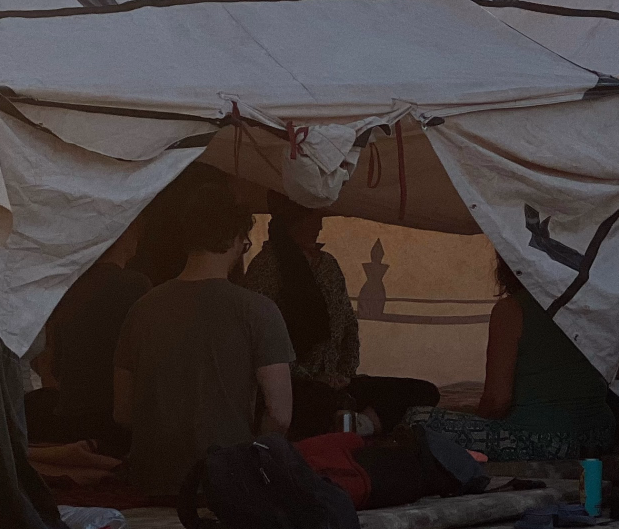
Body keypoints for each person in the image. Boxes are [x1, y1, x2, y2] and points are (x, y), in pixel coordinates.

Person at [113, 188, 295, 497]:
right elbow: (280, 415)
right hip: (225, 483)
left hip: (151, 482)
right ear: (237, 240)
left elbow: (123, 413)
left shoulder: (141, 309)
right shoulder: (258, 311)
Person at [240, 193, 438, 436]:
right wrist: (313, 377)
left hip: (335, 382)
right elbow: (263, 343)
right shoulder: (266, 268)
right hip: (297, 386)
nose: (320, 225)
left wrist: (344, 375)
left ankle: (357, 425)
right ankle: (341, 424)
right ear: (296, 219)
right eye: (315, 218)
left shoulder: (328, 265)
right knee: (315, 403)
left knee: (424, 392)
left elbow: (348, 326)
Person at [403, 258, 615, 462]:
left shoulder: (512, 309)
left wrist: (477, 423)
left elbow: (497, 402)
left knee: (416, 418)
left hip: (544, 440)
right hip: (600, 434)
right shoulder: (589, 305)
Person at [30, 219, 150, 452]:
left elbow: (50, 361)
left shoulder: (70, 288)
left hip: (69, 416)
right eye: (137, 232)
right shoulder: (136, 287)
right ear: (124, 234)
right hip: (112, 420)